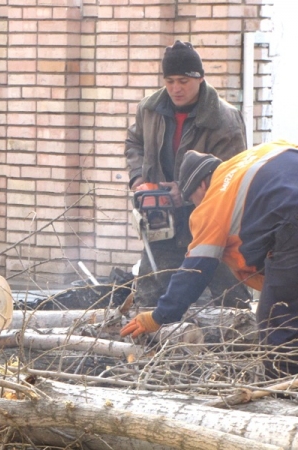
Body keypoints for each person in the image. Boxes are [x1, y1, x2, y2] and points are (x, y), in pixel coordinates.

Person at [120, 140, 298, 377]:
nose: (196, 204)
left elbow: (196, 270)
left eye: (192, 198)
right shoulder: (261, 152)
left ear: (202, 185)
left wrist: (159, 316)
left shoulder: (213, 202)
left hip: (292, 228)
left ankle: (284, 398)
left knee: (277, 321)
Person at [124, 40, 250, 308]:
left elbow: (232, 174)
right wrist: (138, 179)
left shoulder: (225, 119)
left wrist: (183, 191)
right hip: (162, 222)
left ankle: (240, 347)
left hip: (211, 223)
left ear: (200, 78)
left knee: (231, 300)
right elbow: (134, 143)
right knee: (150, 296)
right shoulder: (149, 109)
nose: (175, 88)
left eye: (183, 80)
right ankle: (150, 346)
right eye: (169, 81)